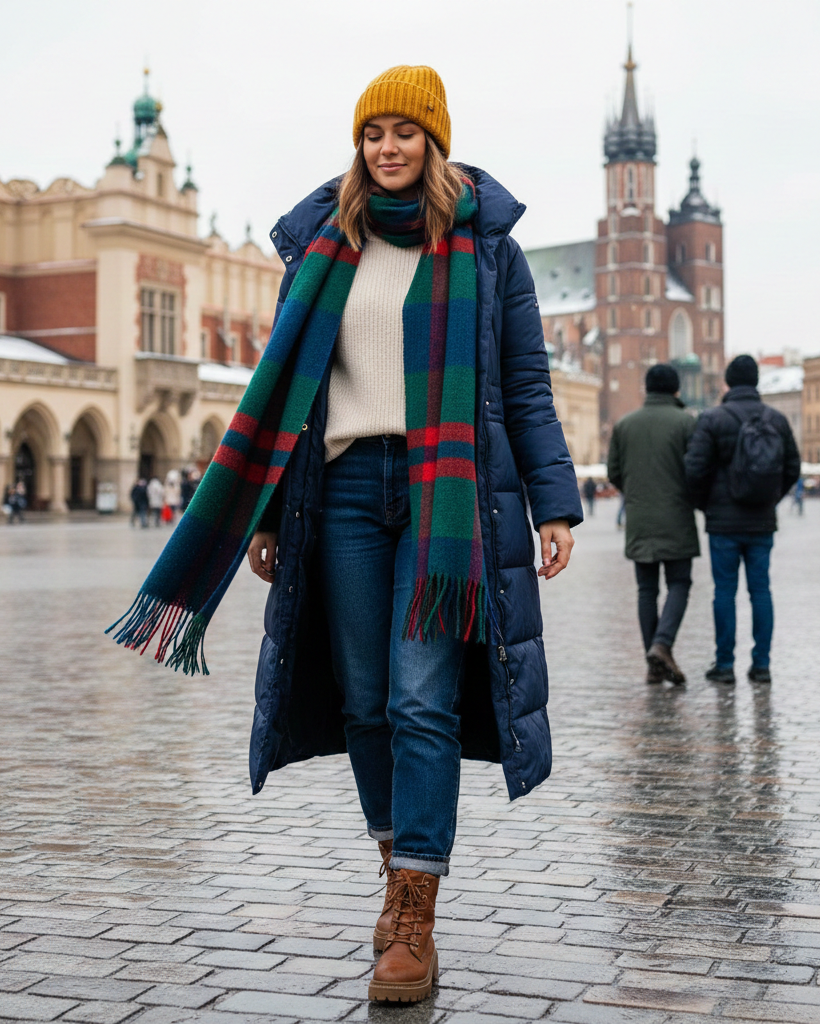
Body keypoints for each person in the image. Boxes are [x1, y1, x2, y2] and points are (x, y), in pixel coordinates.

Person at [109, 65, 583, 1004]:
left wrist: (554, 502)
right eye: (374, 134)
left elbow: (524, 386)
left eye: (406, 132)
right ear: (359, 145)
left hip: (443, 499)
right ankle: (395, 863)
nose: (388, 148)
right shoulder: (322, 246)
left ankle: (415, 912)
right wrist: (274, 513)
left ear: (434, 140)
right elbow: (285, 397)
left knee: (419, 699)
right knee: (367, 701)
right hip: (346, 489)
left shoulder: (489, 250)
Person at [685, 354, 800, 684]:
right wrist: (771, 499)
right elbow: (792, 467)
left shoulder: (713, 418)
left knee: (724, 592)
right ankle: (761, 665)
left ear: (729, 382)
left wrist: (706, 505)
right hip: (762, 520)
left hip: (723, 523)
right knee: (761, 591)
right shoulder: (776, 420)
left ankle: (724, 665)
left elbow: (694, 469)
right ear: (757, 381)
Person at [607, 364, 699, 684]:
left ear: (647, 388)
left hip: (639, 518)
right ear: (676, 390)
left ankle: (653, 664)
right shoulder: (687, 423)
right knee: (679, 583)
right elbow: (696, 470)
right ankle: (662, 645)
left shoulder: (624, 426)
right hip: (677, 516)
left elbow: (614, 474)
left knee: (646, 590)